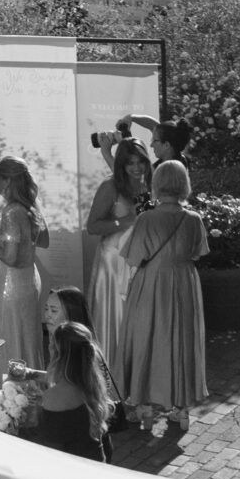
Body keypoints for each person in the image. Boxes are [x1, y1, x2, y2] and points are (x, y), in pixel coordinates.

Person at [118, 158, 211, 435]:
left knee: (147, 338)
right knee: (181, 340)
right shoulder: (194, 219)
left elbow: (134, 258)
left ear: (157, 184)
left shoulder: (147, 218)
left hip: (151, 283)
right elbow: (197, 253)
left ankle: (145, 405)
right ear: (184, 184)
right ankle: (180, 408)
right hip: (184, 283)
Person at [85, 138, 151, 376]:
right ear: (121, 164)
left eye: (140, 161)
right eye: (130, 162)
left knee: (138, 324)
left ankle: (135, 378)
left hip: (141, 263)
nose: (136, 167)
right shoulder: (110, 186)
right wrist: (125, 220)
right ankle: (110, 382)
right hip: (113, 266)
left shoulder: (150, 185)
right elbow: (92, 226)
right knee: (114, 323)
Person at [0, 156, 49, 374]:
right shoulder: (30, 207)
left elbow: (11, 258)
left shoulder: (12, 211)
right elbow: (44, 240)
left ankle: (9, 390)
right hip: (29, 281)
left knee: (7, 333)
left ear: (6, 181)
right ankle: (29, 383)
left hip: (10, 285)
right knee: (27, 336)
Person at [35, 318, 115, 460]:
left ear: (57, 354)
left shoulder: (55, 396)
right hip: (97, 461)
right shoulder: (92, 382)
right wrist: (31, 374)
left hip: (75, 472)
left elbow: (49, 454)